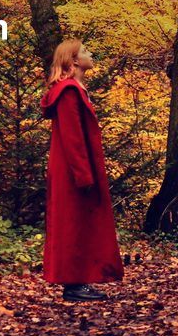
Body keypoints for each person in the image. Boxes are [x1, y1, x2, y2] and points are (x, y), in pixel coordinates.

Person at [40, 39, 124, 302]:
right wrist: (83, 175)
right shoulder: (68, 92)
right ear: (74, 60)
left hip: (76, 168)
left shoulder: (76, 89)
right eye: (85, 51)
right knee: (72, 224)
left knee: (81, 224)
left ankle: (79, 281)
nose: (91, 53)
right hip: (72, 170)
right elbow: (72, 137)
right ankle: (74, 285)